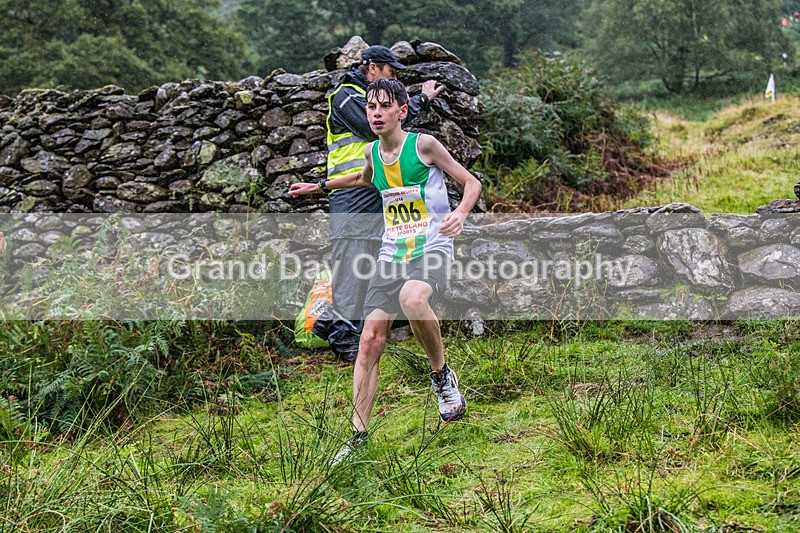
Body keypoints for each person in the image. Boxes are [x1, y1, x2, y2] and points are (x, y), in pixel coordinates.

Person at [289, 78, 482, 463]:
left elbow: (471, 182)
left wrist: (460, 214)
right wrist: (319, 186)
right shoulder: (373, 153)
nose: (375, 114)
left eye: (383, 107)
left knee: (413, 299)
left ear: (402, 111)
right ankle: (358, 437)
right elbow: (362, 178)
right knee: (370, 338)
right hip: (392, 252)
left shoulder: (423, 145)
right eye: (371, 108)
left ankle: (442, 377)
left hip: (431, 245)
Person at [313, 45, 444, 363]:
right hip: (350, 196)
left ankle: (332, 325)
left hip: (369, 192)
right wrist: (421, 101)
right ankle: (343, 339)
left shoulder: (361, 93)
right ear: (372, 67)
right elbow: (381, 125)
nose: (394, 76)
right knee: (352, 263)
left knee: (366, 261)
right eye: (391, 70)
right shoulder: (347, 95)